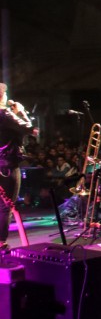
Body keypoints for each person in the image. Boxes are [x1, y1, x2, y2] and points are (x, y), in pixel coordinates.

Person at [0, 83, 38, 252]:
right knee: (6, 206)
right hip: (7, 166)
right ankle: (1, 242)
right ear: (2, 96)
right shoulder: (4, 113)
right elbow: (30, 129)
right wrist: (21, 111)